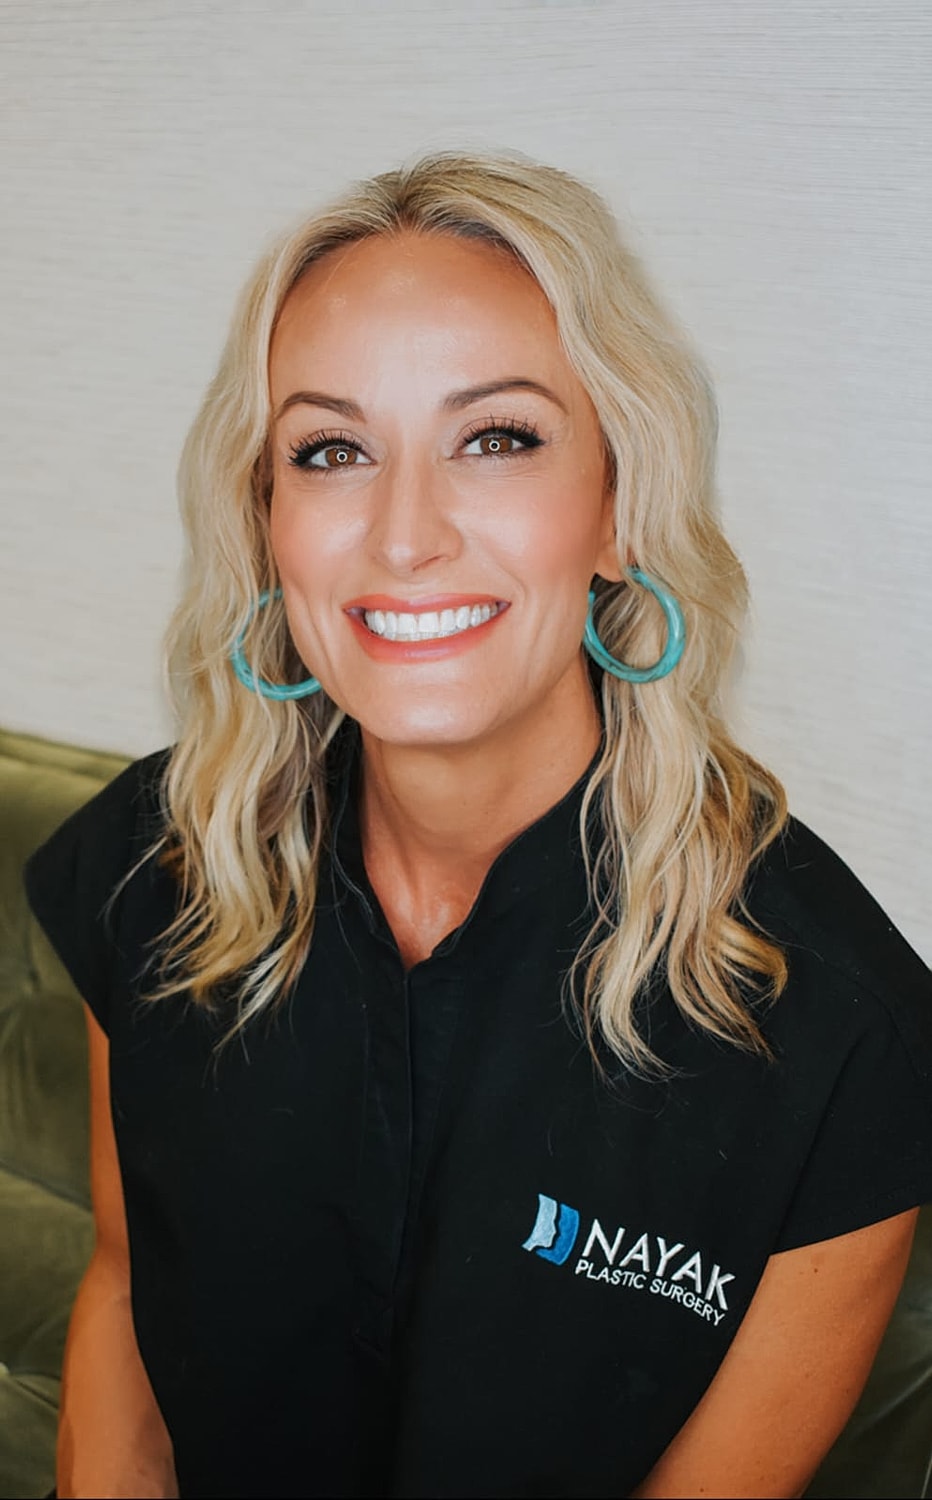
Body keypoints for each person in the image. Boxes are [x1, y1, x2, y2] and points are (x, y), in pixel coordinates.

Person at [25, 151, 932, 1500]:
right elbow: (120, 1288)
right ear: (266, 519)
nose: (404, 537)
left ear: (619, 504)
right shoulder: (154, 864)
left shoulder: (843, 1037)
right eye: (331, 451)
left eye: (497, 438)